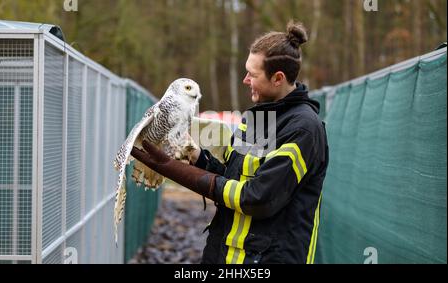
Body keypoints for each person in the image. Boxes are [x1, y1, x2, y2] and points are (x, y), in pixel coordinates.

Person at [131, 21, 329, 264]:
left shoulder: (303, 129)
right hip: (226, 257)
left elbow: (258, 198)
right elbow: (235, 179)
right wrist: (196, 158)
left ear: (278, 78)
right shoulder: (260, 117)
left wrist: (177, 171)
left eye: (252, 74)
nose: (245, 79)